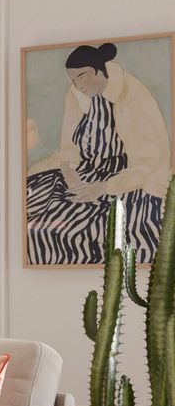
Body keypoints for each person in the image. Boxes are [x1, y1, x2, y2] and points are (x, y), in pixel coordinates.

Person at [26, 43, 171, 265]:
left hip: (127, 180)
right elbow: (68, 146)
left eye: (82, 77)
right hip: (86, 172)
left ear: (98, 70)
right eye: (73, 80)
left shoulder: (134, 96)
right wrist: (69, 173)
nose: (78, 85)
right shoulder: (75, 95)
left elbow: (148, 162)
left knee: (83, 229)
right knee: (32, 209)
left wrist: (103, 188)